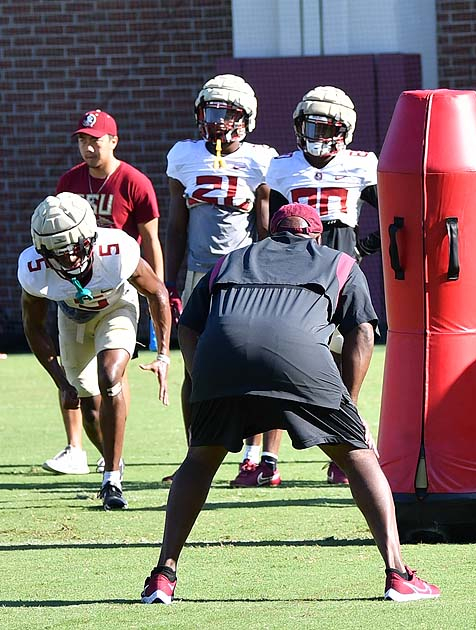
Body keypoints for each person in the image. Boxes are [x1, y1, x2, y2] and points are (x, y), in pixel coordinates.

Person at [141, 203, 439, 604]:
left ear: (272, 234)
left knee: (198, 461)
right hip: (301, 364)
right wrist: (347, 406)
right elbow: (363, 332)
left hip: (220, 363)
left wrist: (203, 378)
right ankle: (398, 574)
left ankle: (163, 576)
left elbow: (190, 324)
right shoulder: (340, 262)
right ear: (314, 236)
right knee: (359, 456)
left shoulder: (230, 260)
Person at [261, 85, 383, 486]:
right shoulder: (281, 167)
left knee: (352, 338)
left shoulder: (363, 165)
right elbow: (269, 223)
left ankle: (346, 436)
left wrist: (364, 247)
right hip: (294, 258)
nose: (316, 134)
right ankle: (267, 457)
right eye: (310, 125)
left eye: (325, 127)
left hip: (341, 254)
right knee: (284, 349)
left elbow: (393, 212)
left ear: (345, 131)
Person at [19, 193, 172, 510]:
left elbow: (157, 291)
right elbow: (33, 326)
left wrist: (164, 355)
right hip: (73, 320)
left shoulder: (116, 250)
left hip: (117, 307)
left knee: (110, 375)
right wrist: (61, 381)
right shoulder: (34, 270)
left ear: (89, 238)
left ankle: (111, 479)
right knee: (88, 407)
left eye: (73, 249)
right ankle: (113, 458)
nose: (69, 260)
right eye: (57, 254)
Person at [165, 74, 277, 485]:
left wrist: (270, 278)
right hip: (198, 274)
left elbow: (264, 228)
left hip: (244, 277)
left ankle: (253, 454)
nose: (215, 120)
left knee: (255, 365)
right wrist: (167, 282)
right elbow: (176, 226)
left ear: (245, 118)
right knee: (194, 371)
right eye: (210, 110)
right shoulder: (184, 156)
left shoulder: (260, 159)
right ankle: (194, 454)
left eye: (225, 112)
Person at [42, 109, 164, 476]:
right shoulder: (69, 180)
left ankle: (112, 454)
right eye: (82, 140)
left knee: (113, 373)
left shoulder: (134, 182)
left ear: (113, 140)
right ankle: (79, 447)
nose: (88, 147)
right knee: (76, 376)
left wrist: (156, 287)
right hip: (76, 290)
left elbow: (152, 240)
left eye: (95, 139)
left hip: (118, 286)